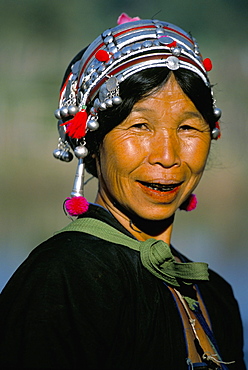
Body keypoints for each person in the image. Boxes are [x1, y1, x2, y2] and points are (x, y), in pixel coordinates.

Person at [0, 13, 246, 370]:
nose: (167, 156)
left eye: (189, 128)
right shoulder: (66, 278)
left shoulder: (215, 293)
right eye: (141, 126)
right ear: (93, 142)